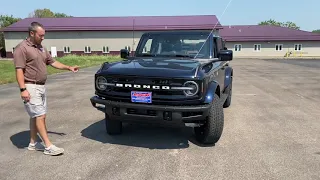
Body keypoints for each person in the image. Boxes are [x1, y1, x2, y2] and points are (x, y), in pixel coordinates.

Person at [13, 22, 79, 156]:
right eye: (40, 35)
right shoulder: (22, 48)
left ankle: (33, 143)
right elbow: (19, 70)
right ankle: (48, 146)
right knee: (40, 116)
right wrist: (23, 89)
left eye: (44, 35)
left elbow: (52, 62)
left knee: (35, 116)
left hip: (41, 86)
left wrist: (68, 67)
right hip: (30, 86)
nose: (43, 38)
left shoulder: (41, 48)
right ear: (32, 33)